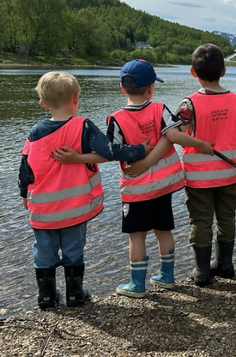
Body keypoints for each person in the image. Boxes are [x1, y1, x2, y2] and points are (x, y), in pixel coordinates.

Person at [54, 59, 215, 298]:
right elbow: (174, 136)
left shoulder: (116, 119)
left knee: (137, 236)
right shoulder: (159, 109)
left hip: (136, 190)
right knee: (163, 230)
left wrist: (77, 158)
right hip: (164, 186)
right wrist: (201, 144)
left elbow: (107, 154)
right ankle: (167, 276)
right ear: (151, 88)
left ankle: (137, 285)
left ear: (122, 88)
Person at [18, 71, 151, 309]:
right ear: (76, 98)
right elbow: (111, 150)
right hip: (74, 207)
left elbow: (25, 167)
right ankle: (75, 295)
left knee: (44, 251)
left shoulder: (35, 132)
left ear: (42, 104)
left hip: (43, 208)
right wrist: (139, 151)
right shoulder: (83, 126)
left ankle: (46, 297)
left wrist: (23, 195)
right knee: (73, 248)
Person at [177, 44, 236, 286]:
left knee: (200, 221)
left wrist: (197, 142)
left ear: (193, 72)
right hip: (230, 174)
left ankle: (201, 271)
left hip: (198, 178)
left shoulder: (189, 104)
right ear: (224, 71)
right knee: (227, 219)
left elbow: (176, 134)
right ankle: (226, 265)